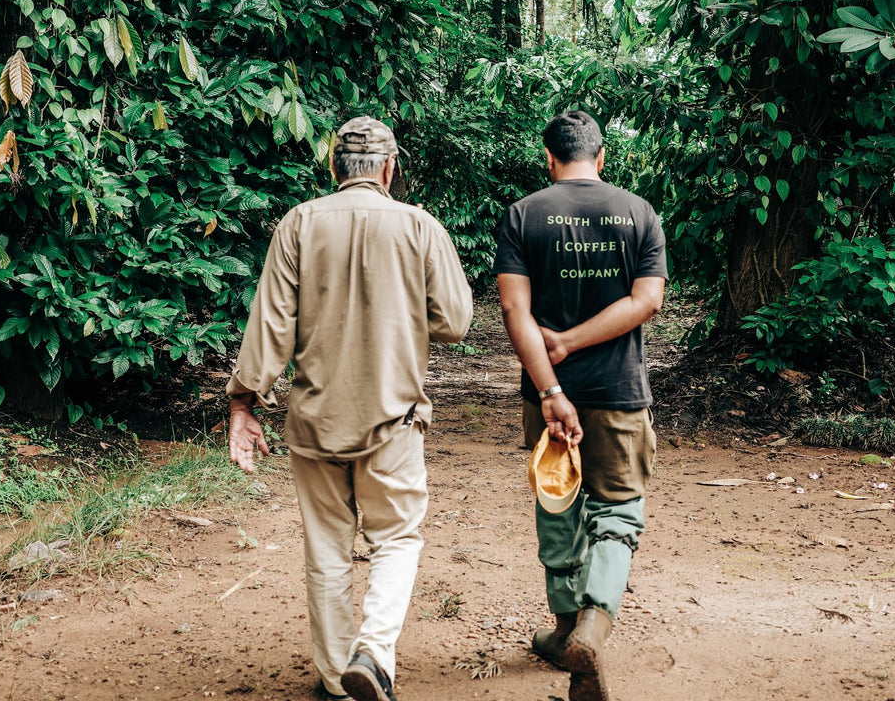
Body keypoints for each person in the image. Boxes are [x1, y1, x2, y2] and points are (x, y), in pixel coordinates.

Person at [225, 116, 473, 701]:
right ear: (389, 168)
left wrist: (243, 405)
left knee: (327, 549)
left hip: (315, 422)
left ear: (334, 166)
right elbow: (456, 322)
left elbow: (271, 327)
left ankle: (338, 680)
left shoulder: (299, 224)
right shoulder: (420, 226)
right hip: (394, 419)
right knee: (397, 538)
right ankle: (375, 652)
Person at [494, 111, 667, 701]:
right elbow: (647, 301)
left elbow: (514, 312)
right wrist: (576, 341)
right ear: (601, 156)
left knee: (558, 503)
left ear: (549, 157)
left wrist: (551, 387)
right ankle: (592, 628)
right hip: (619, 390)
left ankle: (566, 627)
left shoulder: (524, 214)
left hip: (546, 394)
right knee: (617, 514)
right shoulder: (639, 212)